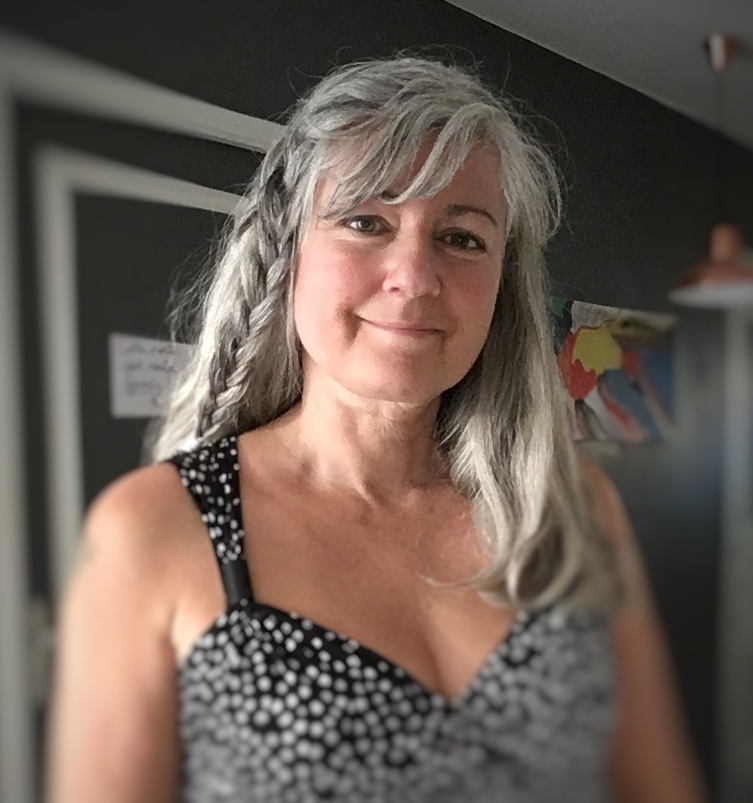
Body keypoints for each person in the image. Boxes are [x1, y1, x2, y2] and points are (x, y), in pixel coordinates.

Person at [45, 57, 707, 803]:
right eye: (365, 222)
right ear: (288, 252)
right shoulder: (154, 531)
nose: (414, 276)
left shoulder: (574, 509)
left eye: (461, 238)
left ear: (502, 283)